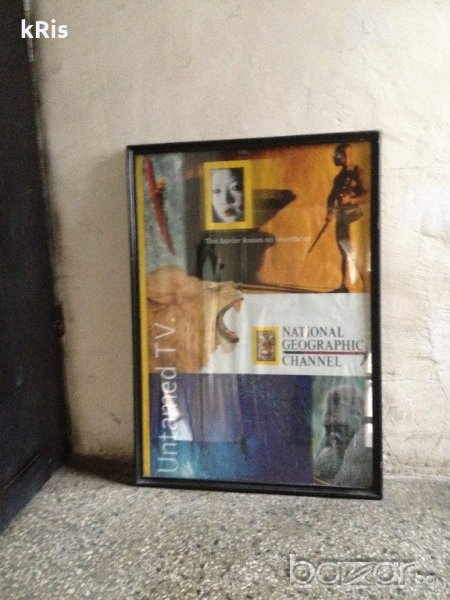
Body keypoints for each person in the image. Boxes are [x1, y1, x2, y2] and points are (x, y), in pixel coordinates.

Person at [326, 143, 367, 292]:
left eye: (339, 155)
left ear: (346, 156)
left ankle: (366, 286)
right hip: (342, 218)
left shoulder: (358, 172)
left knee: (354, 252)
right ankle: (345, 285)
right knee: (344, 251)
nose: (336, 158)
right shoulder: (340, 177)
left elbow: (368, 194)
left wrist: (351, 200)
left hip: (354, 217)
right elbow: (331, 197)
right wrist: (330, 211)